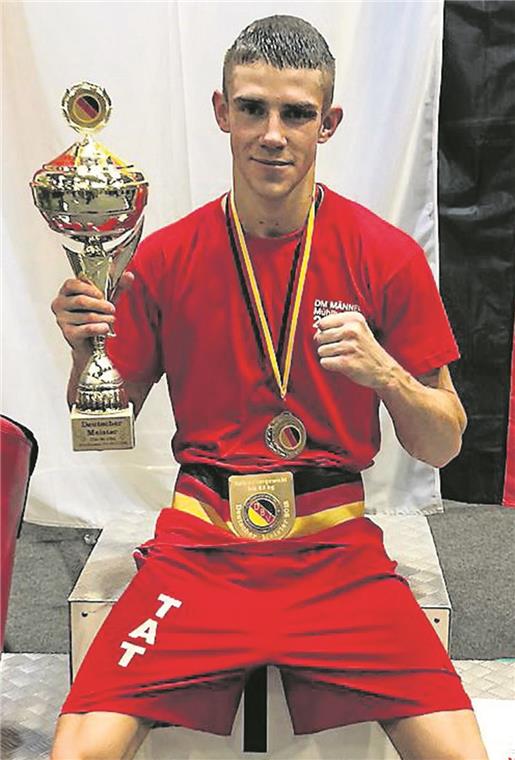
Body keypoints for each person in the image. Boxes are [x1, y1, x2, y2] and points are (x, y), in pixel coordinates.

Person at [50, 15, 488, 760]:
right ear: (222, 112)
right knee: (78, 750)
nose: (273, 135)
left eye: (296, 113)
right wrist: (84, 352)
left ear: (328, 123)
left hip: (335, 552)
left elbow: (442, 443)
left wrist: (385, 373)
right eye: (253, 108)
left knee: (458, 754)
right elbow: (106, 423)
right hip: (200, 548)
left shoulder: (385, 256)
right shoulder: (162, 258)